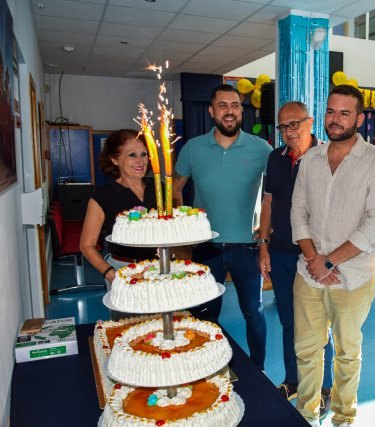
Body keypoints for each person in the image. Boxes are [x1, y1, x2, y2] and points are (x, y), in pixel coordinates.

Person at [290, 84, 375, 426]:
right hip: (308, 273)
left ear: (360, 118)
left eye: (344, 113)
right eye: (331, 112)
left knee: (347, 353)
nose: (335, 120)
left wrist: (329, 261)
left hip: (353, 276)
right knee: (306, 351)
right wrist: (314, 260)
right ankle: (305, 415)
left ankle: (343, 417)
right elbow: (297, 212)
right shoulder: (311, 159)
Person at [173, 84, 272, 369]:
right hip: (207, 247)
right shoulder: (193, 149)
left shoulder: (260, 148)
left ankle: (259, 369)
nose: (230, 111)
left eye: (235, 105)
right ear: (211, 111)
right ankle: (205, 367)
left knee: (253, 313)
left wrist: (267, 230)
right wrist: (185, 227)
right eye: (223, 105)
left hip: (247, 246)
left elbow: (277, 192)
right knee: (204, 315)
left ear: (242, 110)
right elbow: (175, 189)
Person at [257, 101, 335, 417]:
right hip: (281, 253)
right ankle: (294, 380)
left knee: (321, 323)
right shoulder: (275, 159)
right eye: (283, 127)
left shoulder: (328, 156)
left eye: (295, 124)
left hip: (316, 256)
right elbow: (267, 203)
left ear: (310, 122)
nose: (289, 132)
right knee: (289, 322)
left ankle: (326, 385)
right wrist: (263, 245)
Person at [79, 129, 158, 316]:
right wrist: (110, 273)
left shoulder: (160, 190)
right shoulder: (103, 195)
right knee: (129, 330)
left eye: (144, 154)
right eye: (132, 155)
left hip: (158, 270)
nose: (141, 161)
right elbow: (86, 245)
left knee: (162, 329)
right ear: (114, 160)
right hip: (123, 270)